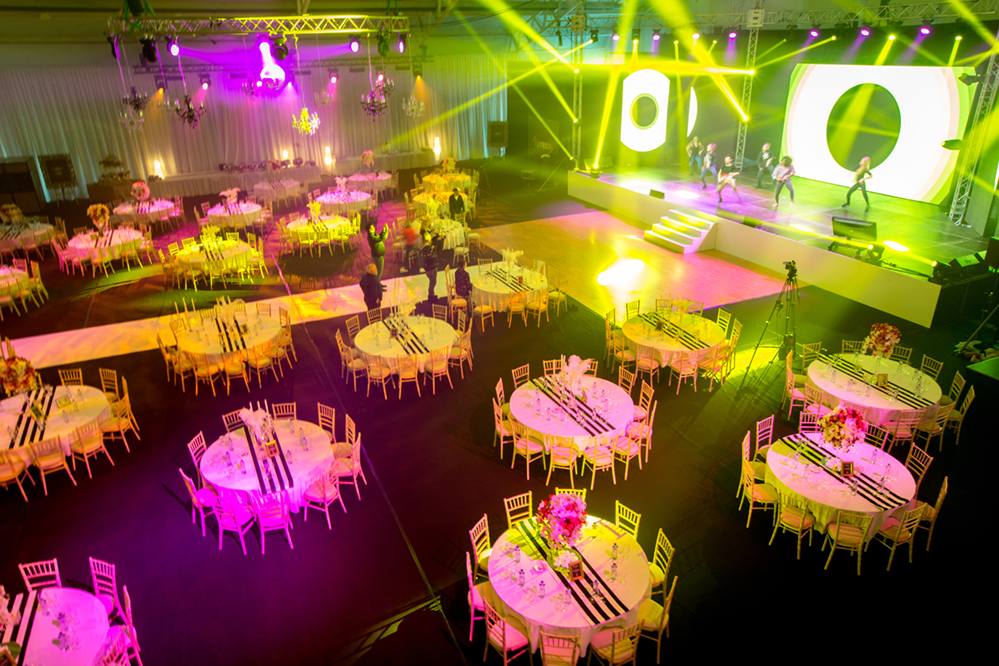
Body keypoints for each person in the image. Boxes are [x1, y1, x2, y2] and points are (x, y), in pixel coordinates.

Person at [422, 230, 445, 302]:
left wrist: (437, 236)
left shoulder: (424, 248)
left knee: (432, 282)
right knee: (433, 283)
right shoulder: (430, 249)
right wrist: (440, 238)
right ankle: (430, 297)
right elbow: (435, 245)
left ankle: (432, 294)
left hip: (429, 268)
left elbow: (432, 242)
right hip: (431, 268)